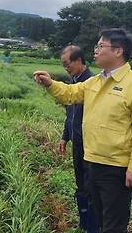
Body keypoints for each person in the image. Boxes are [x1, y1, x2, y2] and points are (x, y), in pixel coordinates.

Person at [33, 28, 132, 233]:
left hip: (116, 168)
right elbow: (70, 94)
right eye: (96, 46)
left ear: (118, 51)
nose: (95, 50)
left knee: (114, 225)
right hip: (91, 162)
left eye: (100, 46)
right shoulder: (95, 81)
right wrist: (50, 84)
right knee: (98, 220)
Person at [58, 45, 97, 232]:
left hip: (91, 146)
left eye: (67, 64)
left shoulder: (92, 83)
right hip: (77, 144)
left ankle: (92, 226)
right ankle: (84, 223)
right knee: (80, 183)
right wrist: (65, 136)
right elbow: (70, 114)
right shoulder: (73, 82)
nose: (66, 67)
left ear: (79, 60)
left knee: (91, 186)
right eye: (63, 64)